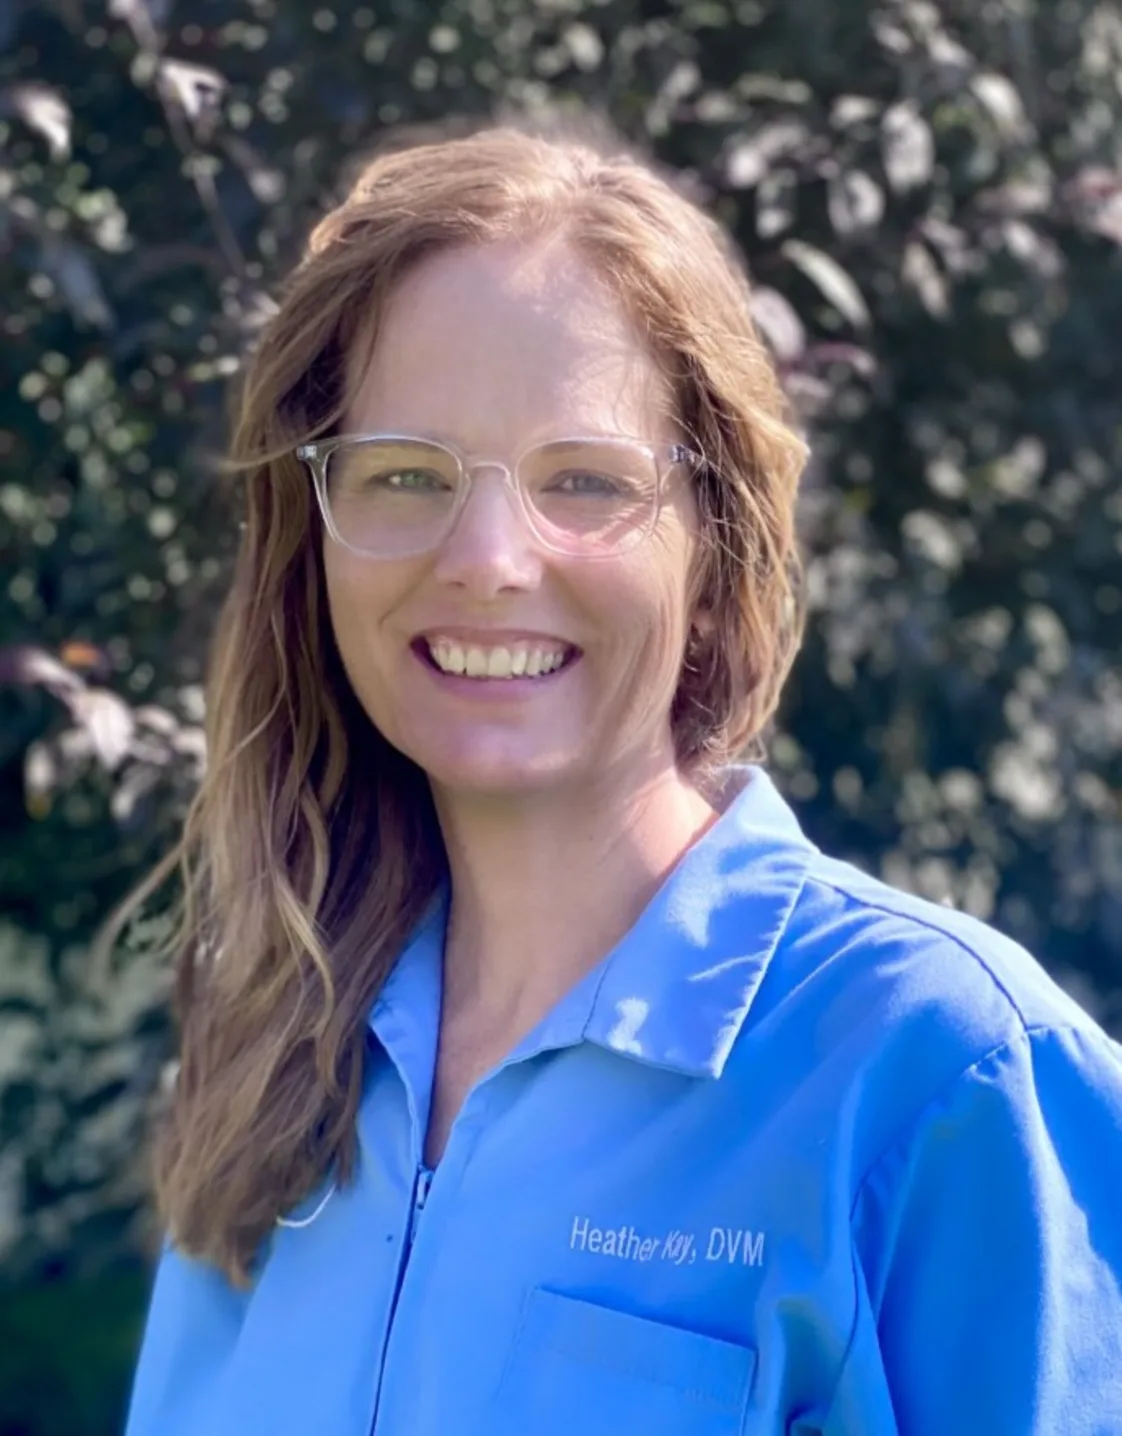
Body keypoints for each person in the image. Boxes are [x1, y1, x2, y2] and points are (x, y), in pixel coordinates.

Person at [120, 123, 1122, 1436]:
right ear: (314, 542)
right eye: (406, 474)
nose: (485, 556)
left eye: (582, 480)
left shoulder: (944, 1072)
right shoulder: (274, 1060)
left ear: (714, 553)